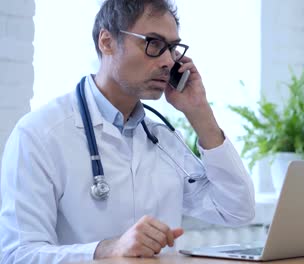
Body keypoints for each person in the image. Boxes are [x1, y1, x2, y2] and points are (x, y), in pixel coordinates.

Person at [0, 0, 255, 263]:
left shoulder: (161, 139)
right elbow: (17, 254)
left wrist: (199, 111)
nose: (168, 61)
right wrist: (105, 250)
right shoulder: (39, 135)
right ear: (107, 42)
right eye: (153, 43)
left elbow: (237, 210)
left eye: (172, 48)